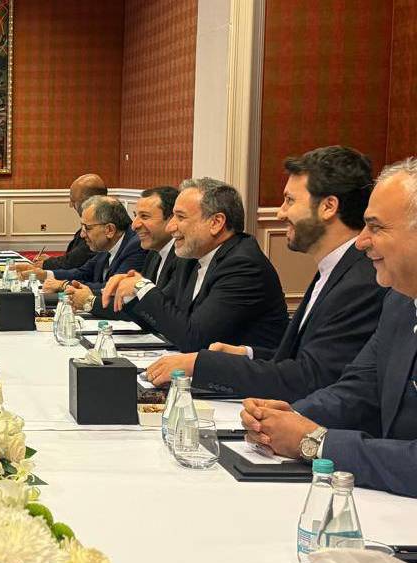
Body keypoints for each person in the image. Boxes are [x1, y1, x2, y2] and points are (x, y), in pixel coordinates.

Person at [145, 147, 384, 401]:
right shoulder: (337, 269)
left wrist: (203, 364)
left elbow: (312, 378)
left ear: (328, 207)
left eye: (289, 200)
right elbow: (302, 358)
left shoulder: (360, 281)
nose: (280, 212)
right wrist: (247, 354)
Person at [242, 158, 417, 497]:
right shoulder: (398, 303)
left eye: (376, 227)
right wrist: (281, 418)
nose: (361, 241)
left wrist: (316, 443)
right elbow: (358, 389)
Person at [100, 178, 289, 352]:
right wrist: (131, 292)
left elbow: (194, 339)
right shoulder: (191, 259)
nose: (170, 227)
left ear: (216, 223)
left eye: (180, 217)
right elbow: (164, 318)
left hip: (244, 376)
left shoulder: (243, 266)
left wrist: (142, 286)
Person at [66, 185, 184, 316]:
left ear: (171, 220)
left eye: (144, 216)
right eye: (136, 216)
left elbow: (158, 310)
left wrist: (90, 301)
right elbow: (137, 302)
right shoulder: (154, 253)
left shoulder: (182, 258)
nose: (134, 225)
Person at [29, 196, 146, 294]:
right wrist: (43, 274)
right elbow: (83, 272)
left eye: (87, 228)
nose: (82, 234)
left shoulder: (136, 246)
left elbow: (113, 289)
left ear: (110, 230)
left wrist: (64, 285)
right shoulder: (107, 244)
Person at [28, 174, 108, 271]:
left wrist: (45, 265)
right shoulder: (98, 221)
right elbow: (74, 259)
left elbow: (73, 263)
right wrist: (51, 261)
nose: (70, 205)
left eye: (73, 200)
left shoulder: (100, 228)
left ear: (87, 202)